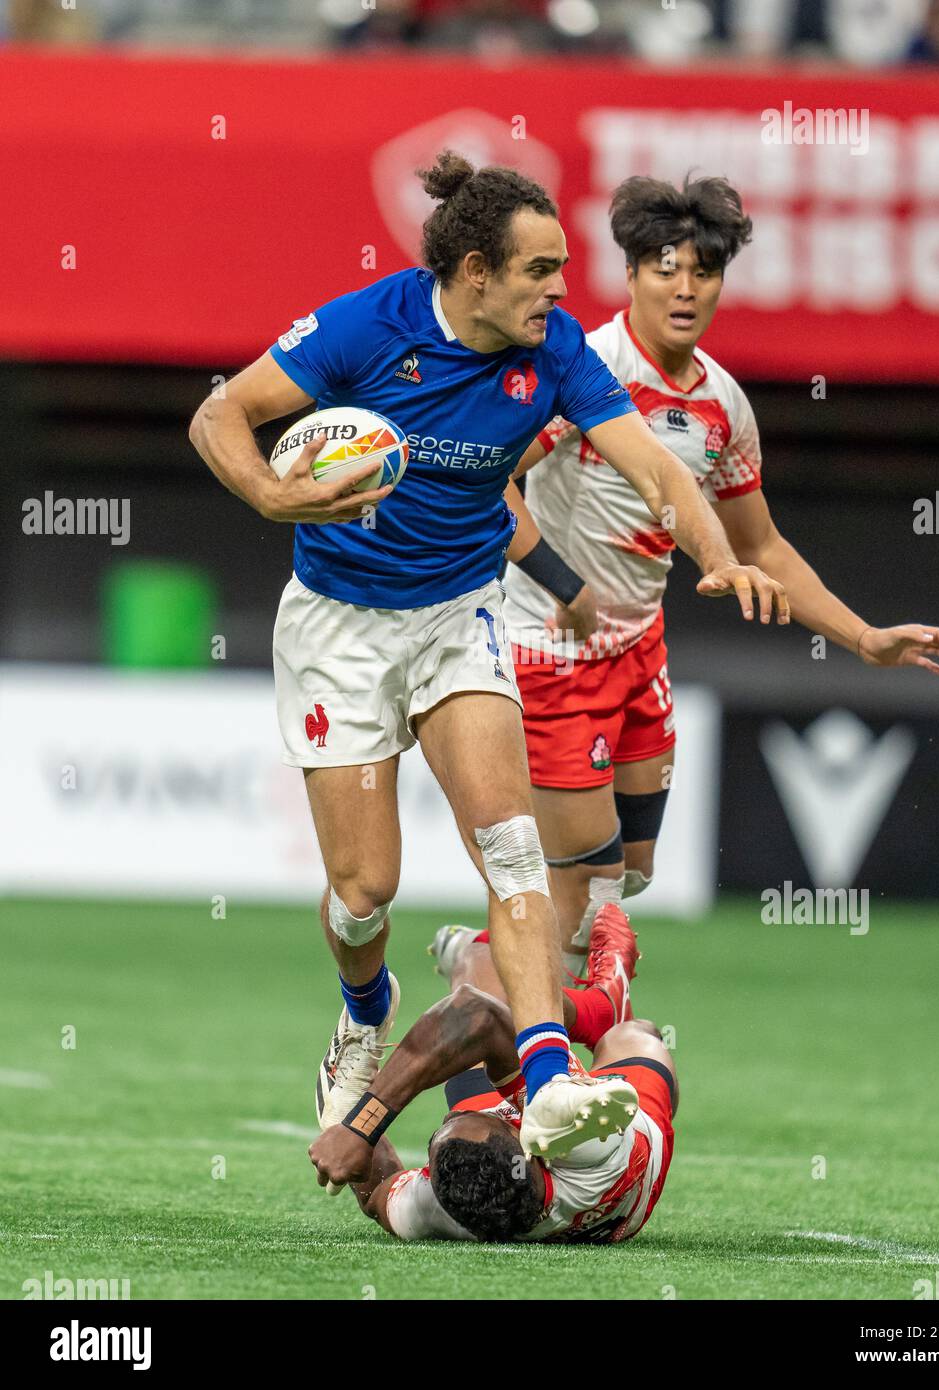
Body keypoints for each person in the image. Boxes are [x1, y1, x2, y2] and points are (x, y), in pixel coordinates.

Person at [189, 152, 787, 1166]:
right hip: (338, 627)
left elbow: (649, 465)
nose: (562, 290)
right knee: (364, 889)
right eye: (540, 270)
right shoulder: (364, 326)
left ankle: (550, 1082)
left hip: (459, 617)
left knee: (511, 849)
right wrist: (276, 496)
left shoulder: (552, 352)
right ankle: (362, 1014)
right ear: (474, 270)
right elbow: (220, 416)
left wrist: (716, 555)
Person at [496, 174, 939, 975]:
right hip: (551, 656)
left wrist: (865, 639)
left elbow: (764, 547)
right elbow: (492, 483)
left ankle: (487, 982)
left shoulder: (723, 403)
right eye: (664, 268)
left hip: (640, 655)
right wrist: (560, 582)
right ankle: (524, 1071)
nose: (684, 289)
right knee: (589, 901)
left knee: (629, 875)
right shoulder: (585, 373)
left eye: (703, 272)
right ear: (632, 274)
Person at [310, 904, 678, 1243]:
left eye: (453, 1121)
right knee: (633, 1035)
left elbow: (378, 1192)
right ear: (526, 1147)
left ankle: (488, 961)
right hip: (623, 1148)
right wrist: (362, 1127)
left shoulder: (442, 1206)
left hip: (534, 1183)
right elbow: (476, 1014)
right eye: (487, 1117)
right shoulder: (588, 1141)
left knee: (480, 957)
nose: (468, 1110)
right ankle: (603, 1007)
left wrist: (343, 1107)